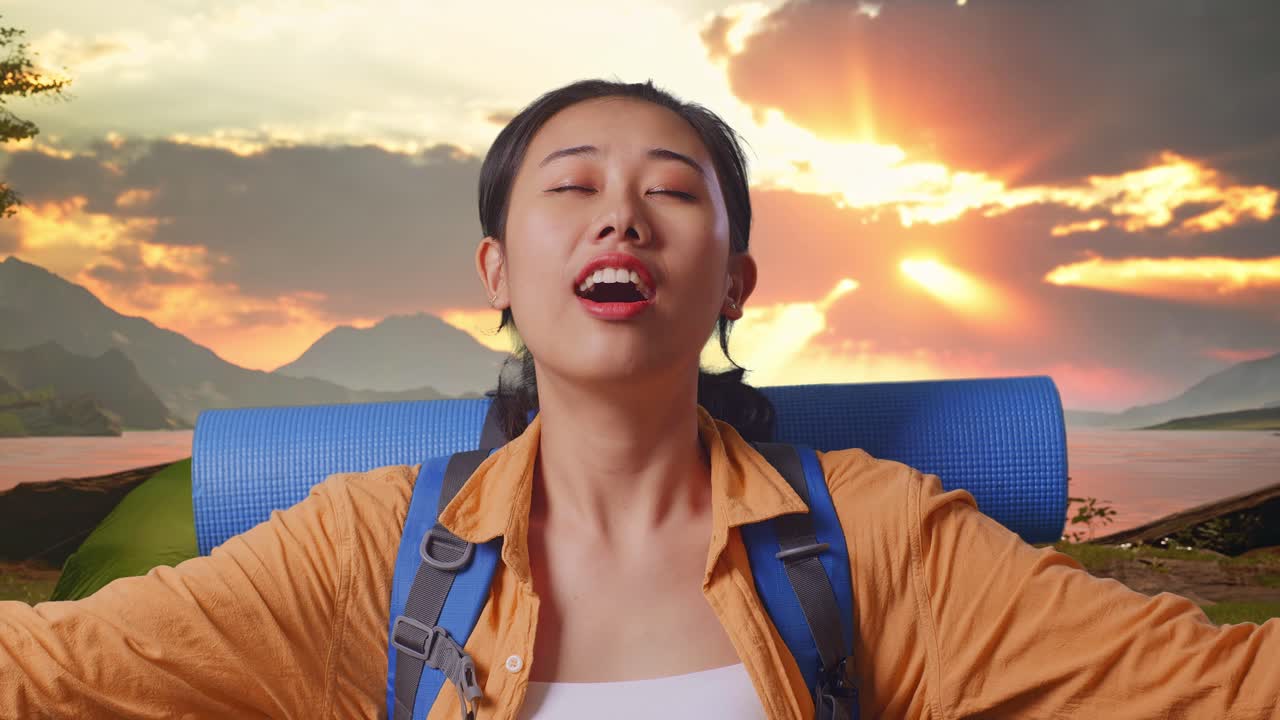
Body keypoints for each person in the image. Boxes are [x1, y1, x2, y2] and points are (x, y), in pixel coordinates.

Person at [1, 78, 1278, 720]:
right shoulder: (367, 551)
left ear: (733, 279)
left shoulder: (880, 543)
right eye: (570, 185)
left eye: (671, 188)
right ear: (496, 272)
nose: (620, 209)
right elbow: (54, 675)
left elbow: (1219, 689)